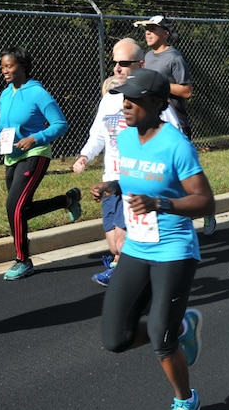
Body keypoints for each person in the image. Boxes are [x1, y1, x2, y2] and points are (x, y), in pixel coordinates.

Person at [94, 68, 212, 410]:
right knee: (115, 338)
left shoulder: (176, 145)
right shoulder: (126, 139)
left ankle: (185, 399)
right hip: (137, 246)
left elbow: (206, 202)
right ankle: (183, 325)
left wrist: (161, 203)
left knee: (161, 336)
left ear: (158, 104)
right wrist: (111, 187)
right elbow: (133, 177)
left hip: (174, 249)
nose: (126, 105)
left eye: (135, 99)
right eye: (124, 98)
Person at [74, 39, 180, 286]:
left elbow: (173, 135)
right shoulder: (110, 99)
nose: (117, 69)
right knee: (113, 242)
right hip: (110, 180)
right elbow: (98, 135)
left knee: (122, 240)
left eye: (124, 63)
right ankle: (146, 269)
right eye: (115, 63)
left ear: (140, 65)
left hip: (137, 178)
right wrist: (85, 156)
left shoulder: (153, 101)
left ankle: (124, 277)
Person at [0, 47, 79, 281]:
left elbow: (60, 124)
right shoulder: (5, 94)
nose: (4, 71)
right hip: (12, 157)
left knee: (14, 207)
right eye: (2, 67)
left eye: (9, 66)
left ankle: (23, 260)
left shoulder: (38, 93)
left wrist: (36, 138)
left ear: (22, 66)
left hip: (35, 154)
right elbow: (3, 126)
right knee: (21, 209)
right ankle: (68, 199)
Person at [135, 15, 216, 236]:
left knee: (183, 177)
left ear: (165, 33)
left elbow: (186, 91)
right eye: (146, 29)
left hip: (175, 124)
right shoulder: (147, 57)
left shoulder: (174, 57)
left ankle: (205, 207)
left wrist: (160, 85)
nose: (148, 33)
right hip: (153, 124)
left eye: (153, 29)